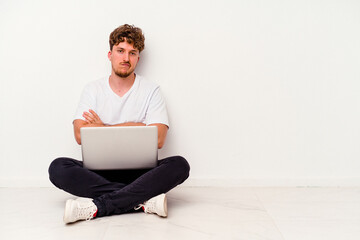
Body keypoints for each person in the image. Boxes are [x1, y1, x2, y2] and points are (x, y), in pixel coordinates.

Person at [48, 24, 190, 224]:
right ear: (110, 54)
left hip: (141, 173)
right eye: (120, 51)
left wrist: (102, 128)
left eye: (132, 53)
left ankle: (97, 206)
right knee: (58, 167)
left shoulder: (151, 90)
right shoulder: (93, 89)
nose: (126, 58)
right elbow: (80, 134)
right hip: (99, 173)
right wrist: (139, 126)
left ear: (138, 59)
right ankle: (142, 201)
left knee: (179, 165)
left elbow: (158, 138)